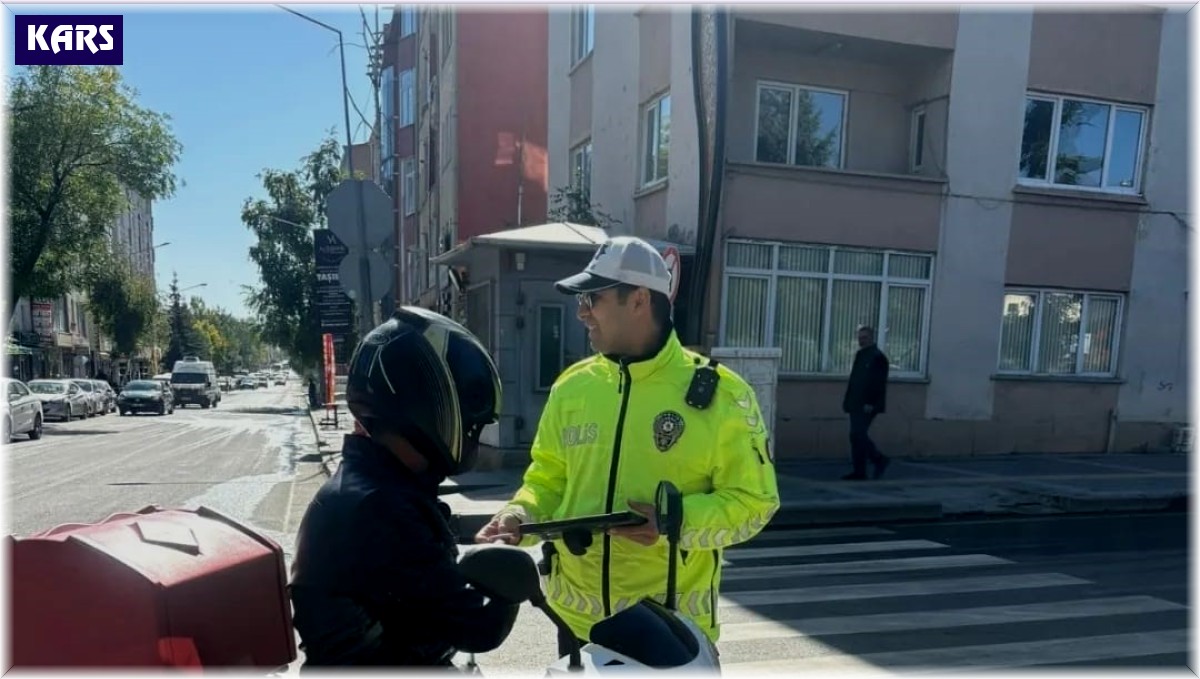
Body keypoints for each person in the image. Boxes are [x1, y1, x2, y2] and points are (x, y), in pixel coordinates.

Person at [475, 236, 780, 655]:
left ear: (638, 300)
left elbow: (756, 502)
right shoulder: (573, 387)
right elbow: (547, 480)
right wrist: (516, 517)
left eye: (592, 298)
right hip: (576, 626)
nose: (581, 312)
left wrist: (675, 521)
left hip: (669, 634)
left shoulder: (721, 395)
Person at [289, 307, 518, 668]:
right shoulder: (379, 510)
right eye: (473, 420)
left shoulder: (371, 488)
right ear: (426, 401)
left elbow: (421, 590)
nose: (475, 431)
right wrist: (511, 577)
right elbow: (478, 627)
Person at [841, 325, 890, 481]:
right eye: (859, 338)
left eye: (864, 338)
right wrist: (847, 400)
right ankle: (859, 471)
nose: (861, 341)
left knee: (858, 434)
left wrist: (871, 402)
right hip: (855, 402)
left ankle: (879, 459)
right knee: (855, 436)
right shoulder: (860, 355)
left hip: (868, 405)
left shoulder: (878, 357)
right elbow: (854, 380)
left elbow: (878, 383)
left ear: (871, 338)